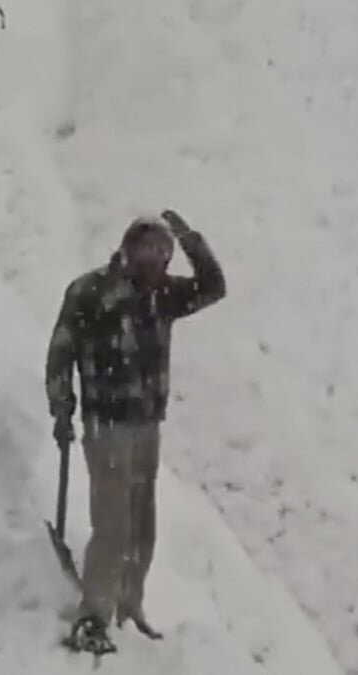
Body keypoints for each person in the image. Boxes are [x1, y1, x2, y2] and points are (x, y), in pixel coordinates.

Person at [45, 210, 226, 653]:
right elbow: (60, 352)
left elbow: (213, 288)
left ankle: (129, 606)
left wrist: (191, 240)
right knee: (113, 524)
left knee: (143, 526)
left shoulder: (162, 294)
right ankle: (93, 617)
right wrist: (62, 409)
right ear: (127, 250)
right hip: (105, 426)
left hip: (147, 427)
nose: (155, 262)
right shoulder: (89, 291)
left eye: (162, 255)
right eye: (147, 252)